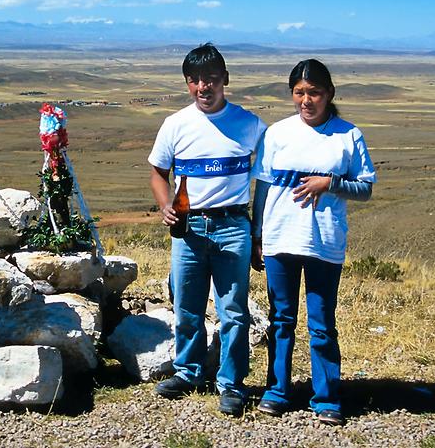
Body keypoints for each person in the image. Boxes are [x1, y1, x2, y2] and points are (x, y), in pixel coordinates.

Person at [251, 58, 375, 425]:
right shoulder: (277, 133)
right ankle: (276, 390)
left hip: (324, 243)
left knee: (321, 324)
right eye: (299, 93)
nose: (306, 100)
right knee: (280, 319)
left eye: (314, 93)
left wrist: (330, 183)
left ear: (329, 94)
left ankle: (327, 397)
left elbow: (366, 188)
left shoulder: (348, 135)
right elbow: (263, 187)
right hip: (279, 239)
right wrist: (257, 235)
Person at [148, 43, 267, 417]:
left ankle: (231, 383)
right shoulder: (175, 124)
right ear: (187, 83)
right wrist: (166, 205)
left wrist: (259, 231)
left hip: (233, 225)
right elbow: (157, 172)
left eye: (212, 80)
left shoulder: (250, 125)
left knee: (232, 310)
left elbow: (264, 180)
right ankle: (189, 371)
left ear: (225, 81)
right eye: (196, 80)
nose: (204, 87)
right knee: (186, 306)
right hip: (189, 228)